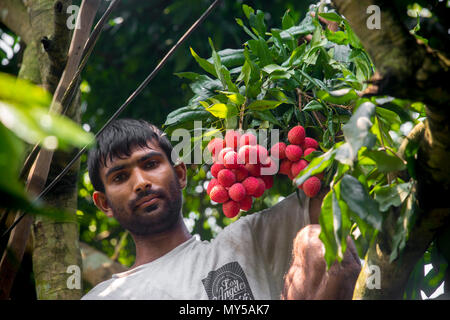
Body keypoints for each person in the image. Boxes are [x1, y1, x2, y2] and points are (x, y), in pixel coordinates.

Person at [81, 118, 361, 300]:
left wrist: (280, 145)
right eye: (120, 177)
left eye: (151, 164)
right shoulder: (104, 297)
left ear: (180, 174)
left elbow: (336, 191)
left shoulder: (247, 241)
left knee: (320, 240)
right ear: (104, 203)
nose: (141, 183)